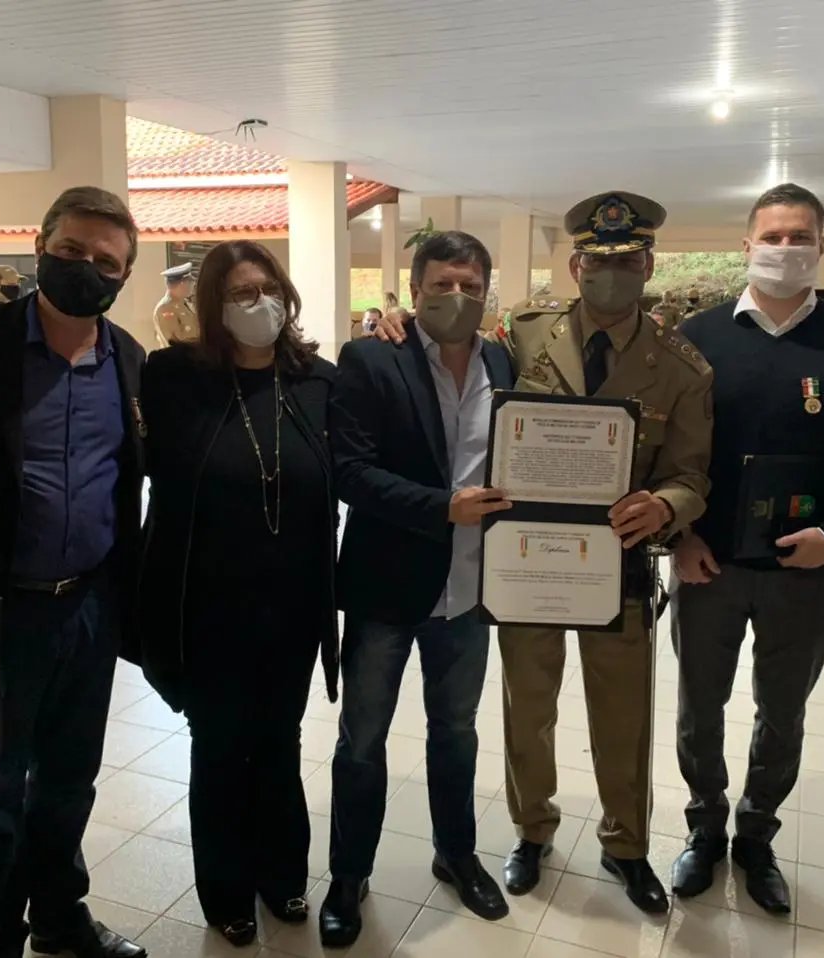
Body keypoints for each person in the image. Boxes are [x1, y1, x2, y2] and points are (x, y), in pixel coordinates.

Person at [370, 194, 715, 914]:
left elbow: (691, 475)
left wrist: (665, 506)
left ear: (648, 265)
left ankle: (626, 845)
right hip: (526, 562)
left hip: (617, 564)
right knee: (528, 706)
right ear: (576, 266)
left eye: (627, 262)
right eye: (597, 262)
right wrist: (396, 324)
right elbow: (453, 346)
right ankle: (532, 830)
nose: (612, 275)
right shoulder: (525, 335)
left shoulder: (682, 368)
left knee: (622, 713)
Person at [667, 183, 824, 915]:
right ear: (747, 245)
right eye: (772, 236)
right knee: (699, 705)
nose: (785, 248)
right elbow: (666, 447)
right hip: (706, 564)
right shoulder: (697, 337)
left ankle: (756, 834)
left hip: (803, 569)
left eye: (800, 236)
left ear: (822, 246)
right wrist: (680, 535)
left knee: (783, 709)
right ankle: (705, 827)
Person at [0, 186, 147, 958]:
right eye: (71, 251)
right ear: (40, 249)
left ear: (124, 275)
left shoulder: (129, 361)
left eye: (105, 261)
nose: (86, 267)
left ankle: (61, 916)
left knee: (69, 779)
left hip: (89, 605)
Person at [136, 240, 339, 947]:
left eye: (269, 289)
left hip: (293, 607)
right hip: (207, 607)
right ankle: (226, 891)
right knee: (221, 747)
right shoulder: (172, 378)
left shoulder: (317, 380)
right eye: (241, 294)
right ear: (213, 307)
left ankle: (282, 875)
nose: (260, 304)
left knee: (280, 740)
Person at [322, 231, 514, 948]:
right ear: (415, 289)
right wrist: (442, 507)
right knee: (363, 740)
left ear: (487, 291)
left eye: (470, 285)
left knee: (456, 732)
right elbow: (351, 471)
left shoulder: (502, 360)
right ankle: (348, 875)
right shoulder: (372, 358)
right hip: (387, 589)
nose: (456, 297)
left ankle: (456, 853)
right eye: (441, 285)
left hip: (470, 590)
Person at [152, 262, 198, 348]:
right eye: (190, 282)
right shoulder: (165, 308)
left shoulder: (183, 303)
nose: (192, 286)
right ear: (182, 284)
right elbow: (173, 343)